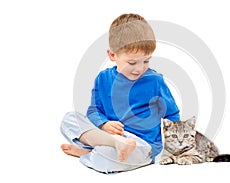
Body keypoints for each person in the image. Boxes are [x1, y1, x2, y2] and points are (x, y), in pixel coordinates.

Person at [60, 13, 180, 174]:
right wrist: (104, 124)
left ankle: (89, 151)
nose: (140, 68)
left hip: (142, 143)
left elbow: (172, 114)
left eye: (146, 61)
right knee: (69, 119)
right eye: (132, 62)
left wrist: (174, 146)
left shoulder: (155, 81)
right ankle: (109, 145)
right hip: (109, 137)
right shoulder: (103, 78)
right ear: (112, 55)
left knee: (105, 162)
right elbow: (94, 111)